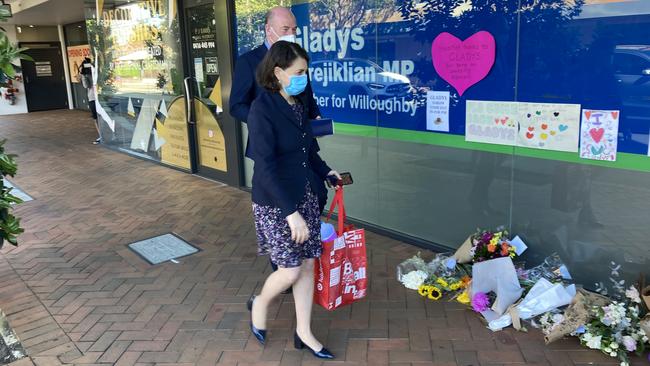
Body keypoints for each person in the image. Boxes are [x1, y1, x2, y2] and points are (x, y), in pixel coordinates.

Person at [246, 41, 339, 359]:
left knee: (309, 265)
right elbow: (265, 165)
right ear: (278, 72)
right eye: (298, 72)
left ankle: (304, 331)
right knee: (290, 270)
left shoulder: (299, 103)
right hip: (276, 202)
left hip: (305, 195)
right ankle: (259, 303)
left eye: (306, 71)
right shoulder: (262, 109)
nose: (304, 77)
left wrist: (327, 171)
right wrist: (290, 213)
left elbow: (307, 150)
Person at [230, 6, 328, 282]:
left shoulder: (297, 59)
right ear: (268, 29)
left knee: (317, 194)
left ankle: (298, 250)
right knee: (279, 202)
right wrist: (266, 122)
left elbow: (306, 94)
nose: (292, 34)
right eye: (286, 29)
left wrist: (315, 117)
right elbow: (236, 104)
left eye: (294, 29)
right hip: (271, 149)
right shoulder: (249, 61)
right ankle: (284, 266)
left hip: (300, 144)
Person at [79, 57, 101, 144]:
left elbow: (86, 85)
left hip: (93, 97)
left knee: (96, 118)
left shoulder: (86, 75)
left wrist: (82, 75)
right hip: (100, 96)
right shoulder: (96, 72)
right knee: (102, 116)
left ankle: (101, 135)